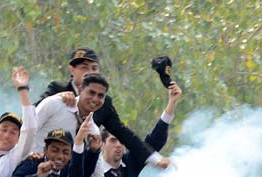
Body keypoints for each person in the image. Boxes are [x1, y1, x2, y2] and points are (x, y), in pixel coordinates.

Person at [35, 47, 165, 168]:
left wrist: (154, 158)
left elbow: (123, 132)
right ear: (72, 70)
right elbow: (32, 117)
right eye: (84, 67)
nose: (89, 72)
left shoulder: (103, 103)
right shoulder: (58, 90)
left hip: (77, 167)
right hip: (41, 159)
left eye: (94, 68)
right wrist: (58, 97)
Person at [91, 82, 181, 177]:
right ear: (102, 143)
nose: (118, 145)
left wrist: (172, 103)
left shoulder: (130, 163)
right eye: (113, 140)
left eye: (122, 141)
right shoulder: (92, 167)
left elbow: (153, 142)